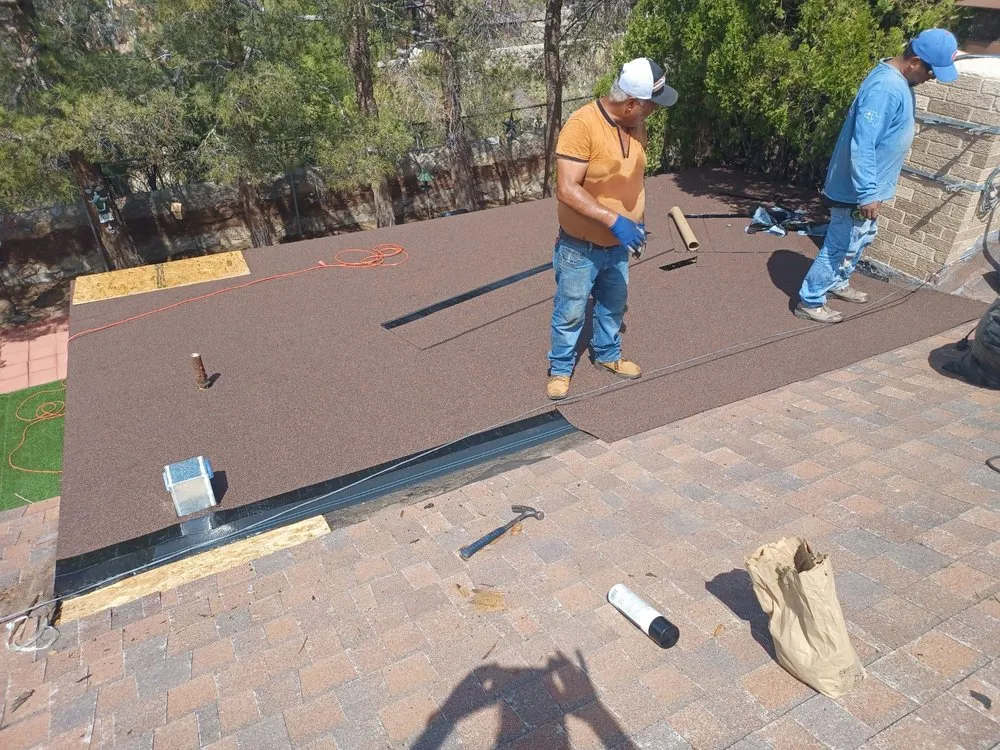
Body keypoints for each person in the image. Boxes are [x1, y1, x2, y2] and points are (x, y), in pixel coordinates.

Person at [795, 28, 959, 324]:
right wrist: (869, 193)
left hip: (872, 187)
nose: (932, 77)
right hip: (856, 190)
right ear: (915, 61)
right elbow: (863, 143)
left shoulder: (901, 81)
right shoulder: (885, 87)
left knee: (862, 237)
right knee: (841, 243)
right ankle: (810, 300)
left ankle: (838, 283)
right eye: (932, 71)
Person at [546, 57, 677, 400]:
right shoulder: (582, 126)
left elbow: (632, 177)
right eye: (651, 105)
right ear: (633, 103)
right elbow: (567, 188)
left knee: (613, 305)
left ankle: (607, 355)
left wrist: (637, 221)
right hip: (580, 248)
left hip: (619, 246)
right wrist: (614, 220)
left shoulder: (635, 125)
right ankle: (560, 368)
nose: (654, 112)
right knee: (571, 310)